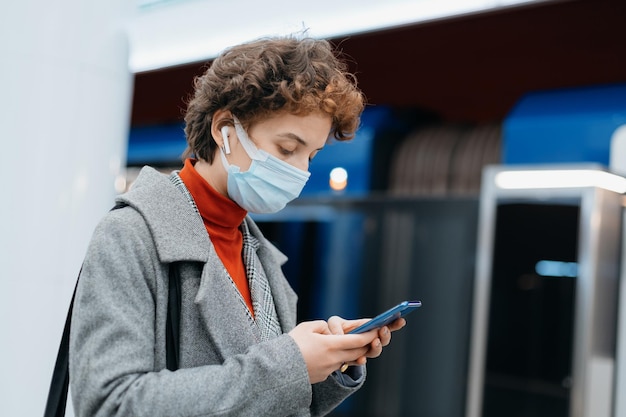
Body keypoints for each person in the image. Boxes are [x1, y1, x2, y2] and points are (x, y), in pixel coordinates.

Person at [69, 35, 405, 417]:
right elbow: (110, 404)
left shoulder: (261, 258)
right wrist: (291, 363)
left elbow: (266, 399)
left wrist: (328, 362)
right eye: (286, 148)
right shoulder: (130, 237)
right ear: (225, 130)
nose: (301, 171)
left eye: (311, 155)